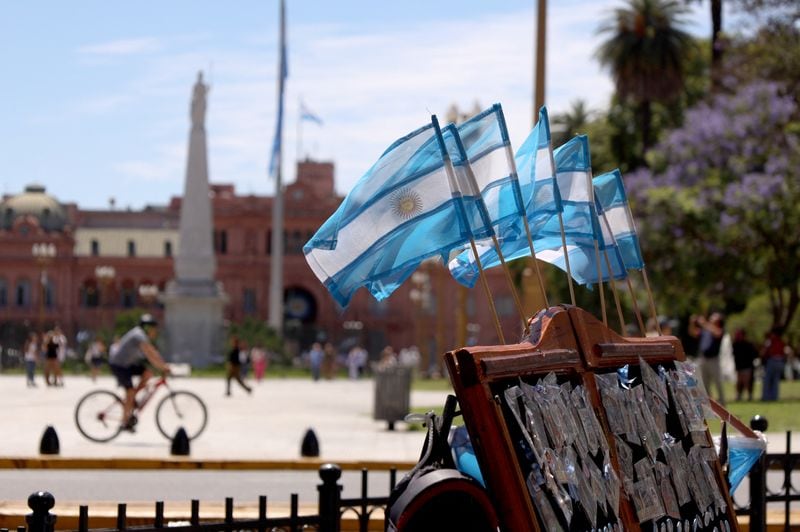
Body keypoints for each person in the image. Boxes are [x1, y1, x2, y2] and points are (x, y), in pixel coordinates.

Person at [108, 314, 171, 431]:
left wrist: (163, 365)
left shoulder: (142, 336)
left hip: (126, 364)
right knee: (130, 392)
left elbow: (153, 352)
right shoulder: (139, 336)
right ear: (147, 328)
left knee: (148, 372)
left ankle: (132, 398)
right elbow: (149, 354)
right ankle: (124, 421)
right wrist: (163, 367)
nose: (155, 332)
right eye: (154, 329)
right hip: (119, 365)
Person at [689, 312, 726, 405]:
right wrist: (692, 323)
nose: (711, 319)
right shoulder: (706, 330)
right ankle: (710, 404)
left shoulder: (718, 330)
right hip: (703, 359)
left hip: (713, 360)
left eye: (713, 319)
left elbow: (716, 332)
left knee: (718, 383)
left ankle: (722, 403)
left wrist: (703, 323)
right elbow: (693, 333)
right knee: (705, 384)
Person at [760, 326, 791, 401]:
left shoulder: (771, 340)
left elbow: (764, 351)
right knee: (775, 380)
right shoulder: (782, 341)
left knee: (767, 380)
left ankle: (766, 397)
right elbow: (785, 352)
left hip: (772, 361)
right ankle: (774, 397)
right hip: (780, 361)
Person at [731, 328, 758, 401]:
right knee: (739, 382)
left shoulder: (749, 345)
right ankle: (738, 395)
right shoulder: (735, 344)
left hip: (747, 367)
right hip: (739, 367)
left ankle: (750, 396)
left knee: (747, 382)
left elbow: (755, 355)